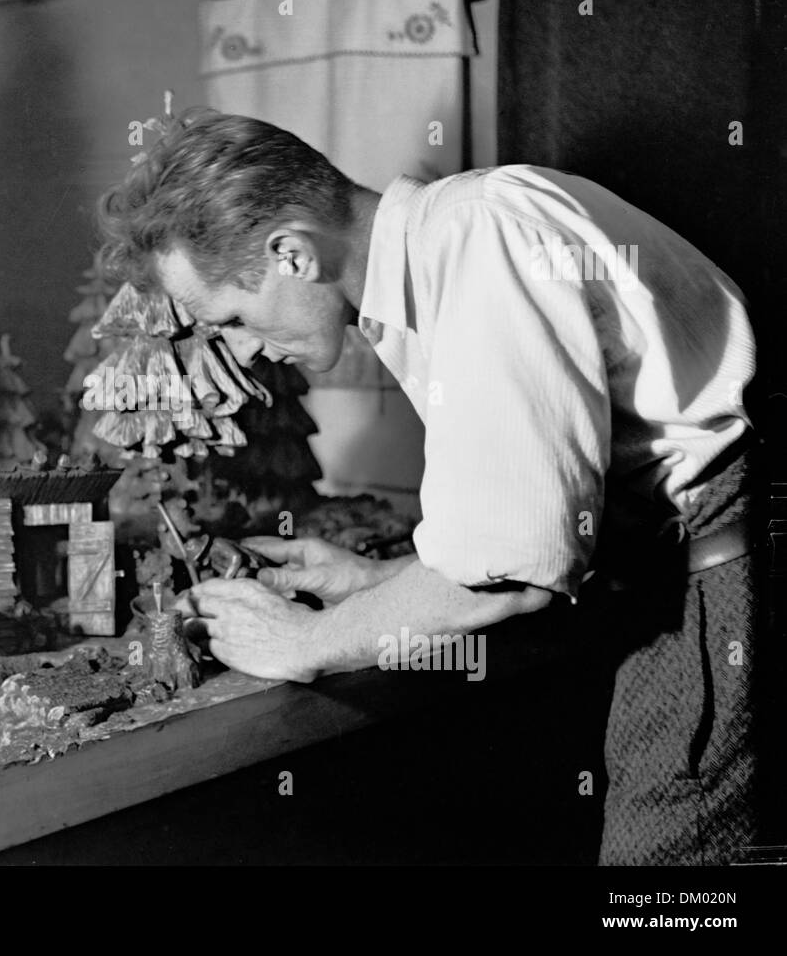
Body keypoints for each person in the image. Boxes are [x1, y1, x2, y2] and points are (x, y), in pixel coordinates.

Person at [95, 108, 769, 866]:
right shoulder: (444, 251)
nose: (245, 353)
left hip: (721, 577)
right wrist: (378, 580)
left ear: (290, 253)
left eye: (234, 319)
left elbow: (511, 569)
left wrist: (305, 640)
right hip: (679, 568)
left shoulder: (482, 248)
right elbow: (511, 532)